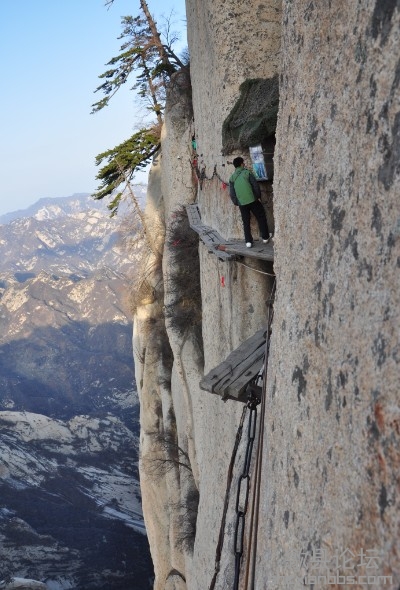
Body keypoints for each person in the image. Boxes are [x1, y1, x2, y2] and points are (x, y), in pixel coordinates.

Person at [229, 156, 270, 248]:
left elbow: (232, 193)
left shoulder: (232, 178)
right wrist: (257, 197)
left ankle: (248, 242)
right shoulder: (247, 173)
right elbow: (255, 186)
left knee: (246, 221)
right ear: (240, 164)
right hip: (252, 200)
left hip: (241, 203)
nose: (244, 164)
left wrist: (237, 202)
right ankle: (265, 237)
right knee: (261, 217)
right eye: (243, 162)